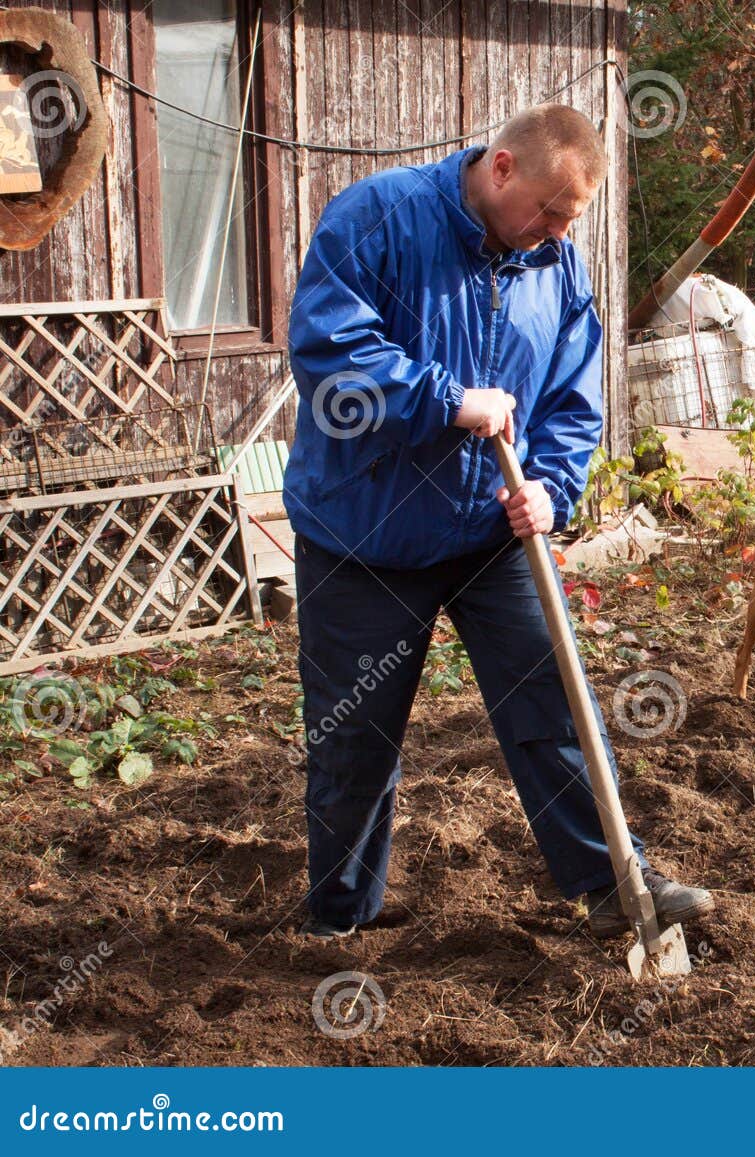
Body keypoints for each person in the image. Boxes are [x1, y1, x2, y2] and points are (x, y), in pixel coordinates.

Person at [281, 104, 713, 940]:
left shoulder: (559, 265)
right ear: (503, 166)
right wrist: (447, 400)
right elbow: (328, 357)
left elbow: (573, 403)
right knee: (355, 741)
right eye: (548, 211)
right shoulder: (379, 217)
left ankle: (618, 888)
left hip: (492, 533)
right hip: (364, 534)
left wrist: (553, 487)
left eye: (570, 219)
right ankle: (336, 920)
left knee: (555, 704)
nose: (555, 233)